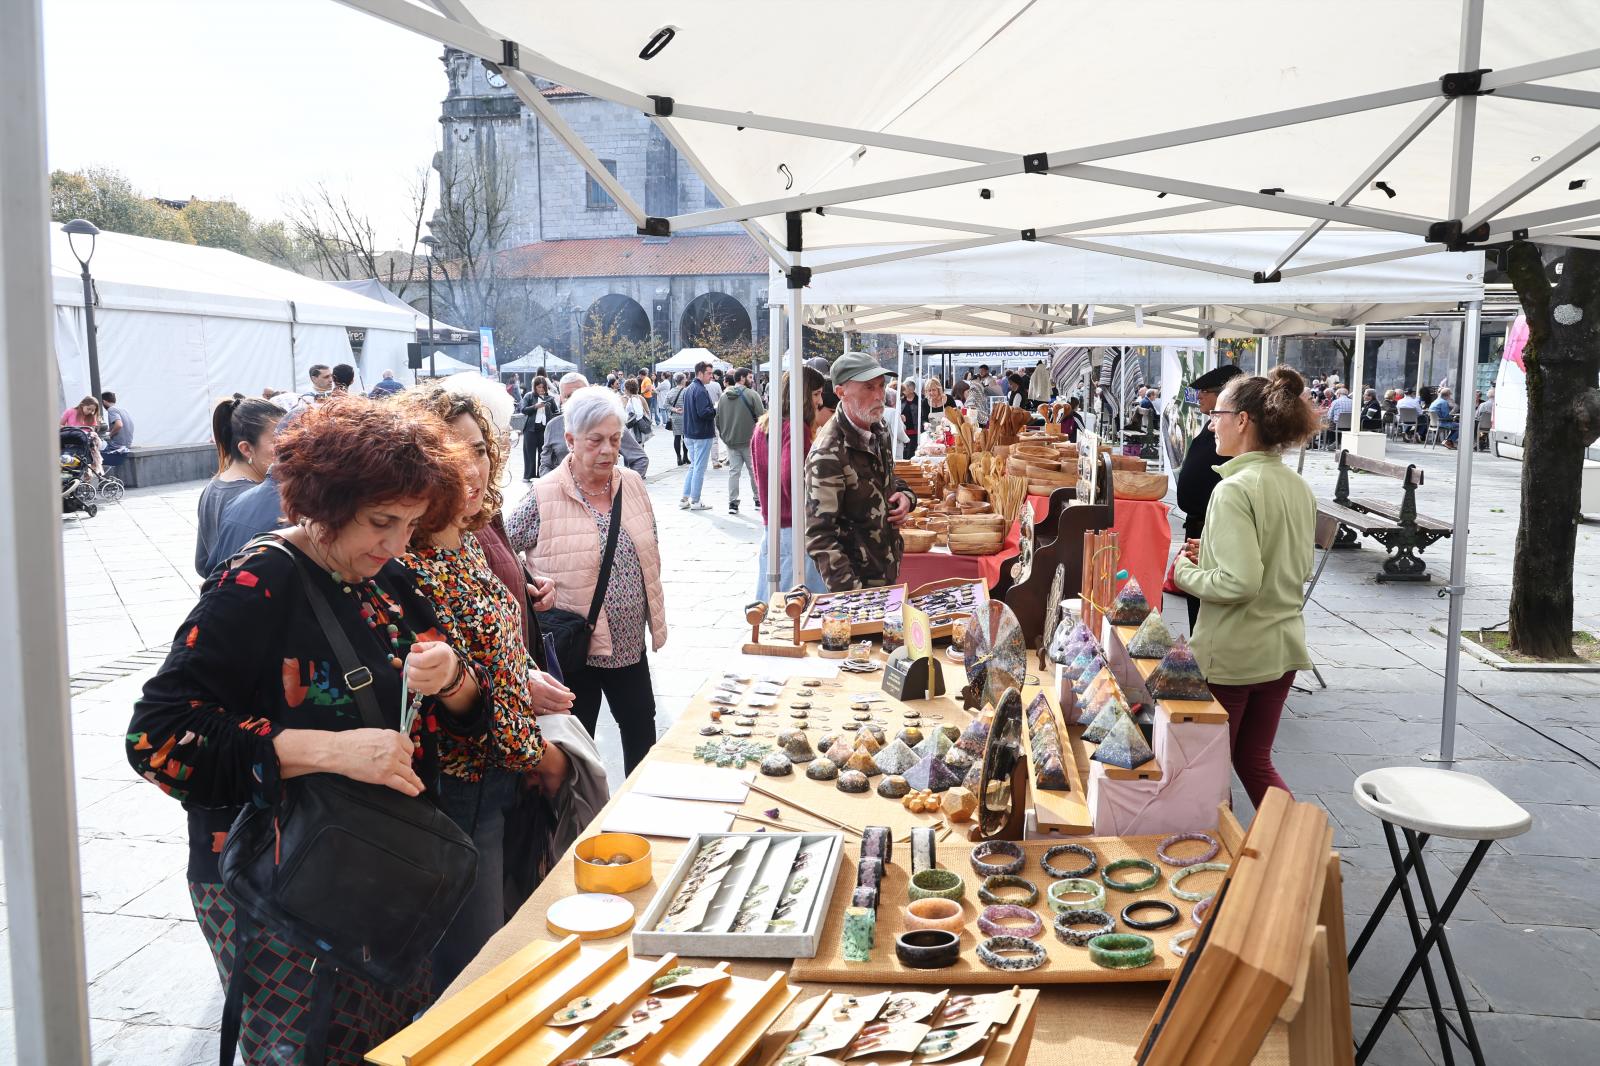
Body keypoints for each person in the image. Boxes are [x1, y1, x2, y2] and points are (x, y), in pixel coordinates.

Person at [127, 397, 487, 1064]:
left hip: (377, 867)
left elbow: (468, 721)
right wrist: (332, 751)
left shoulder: (391, 581)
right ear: (325, 501)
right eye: (381, 522)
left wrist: (455, 677)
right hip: (279, 884)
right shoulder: (256, 583)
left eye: (409, 525)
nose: (396, 544)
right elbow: (157, 738)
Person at [390, 387, 571, 993]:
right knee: (470, 974)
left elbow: (495, 659)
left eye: (477, 449)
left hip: (496, 780)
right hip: (452, 789)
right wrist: (538, 755)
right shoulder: (404, 563)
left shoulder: (464, 541)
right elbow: (454, 691)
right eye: (447, 453)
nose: (470, 467)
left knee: (498, 953)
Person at [1173, 367, 1320, 810]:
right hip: (1282, 646)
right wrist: (1214, 552)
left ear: (1242, 421)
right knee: (1253, 759)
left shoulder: (1234, 489)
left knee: (1209, 770)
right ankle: (1299, 849)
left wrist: (1184, 574)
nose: (1211, 422)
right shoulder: (1295, 485)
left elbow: (1239, 582)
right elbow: (1288, 563)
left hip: (1234, 655)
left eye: (1216, 413)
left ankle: (1224, 867)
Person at [507, 386, 667, 774]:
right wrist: (532, 586)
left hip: (629, 644)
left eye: (615, 440)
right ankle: (585, 827)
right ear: (570, 440)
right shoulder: (543, 495)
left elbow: (650, 544)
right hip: (574, 649)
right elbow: (502, 554)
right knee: (580, 750)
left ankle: (637, 819)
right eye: (595, 441)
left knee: (641, 734)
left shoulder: (632, 484)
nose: (608, 451)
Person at [804, 353, 917, 590]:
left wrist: (906, 497)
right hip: (857, 586)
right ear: (840, 392)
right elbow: (820, 538)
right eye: (868, 387)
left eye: (880, 386)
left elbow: (887, 478)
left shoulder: (879, 427)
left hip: (885, 568)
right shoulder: (828, 453)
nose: (879, 395)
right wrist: (854, 597)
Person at [1174, 365, 1243, 631]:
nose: (1199, 396)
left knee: (1204, 604)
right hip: (1199, 524)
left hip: (1210, 526)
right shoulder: (1213, 427)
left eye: (1206, 392)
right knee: (1196, 607)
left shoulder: (1230, 434)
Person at [753, 367, 827, 598]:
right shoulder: (795, 429)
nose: (820, 401)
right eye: (816, 394)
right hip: (794, 530)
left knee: (771, 605)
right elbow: (790, 478)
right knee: (798, 609)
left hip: (772, 526)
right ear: (803, 395)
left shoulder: (763, 426)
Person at [195, 397, 283, 577]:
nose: (290, 447)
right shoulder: (254, 498)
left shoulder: (213, 487)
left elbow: (203, 562)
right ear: (246, 449)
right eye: (278, 440)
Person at [542, 373, 648, 476]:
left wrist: (622, 487)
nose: (574, 400)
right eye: (568, 396)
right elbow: (545, 465)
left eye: (579, 394)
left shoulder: (609, 422)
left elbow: (640, 459)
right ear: (561, 398)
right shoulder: (553, 426)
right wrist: (554, 488)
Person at [715, 366, 765, 515]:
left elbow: (718, 419)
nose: (752, 381)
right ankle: (758, 500)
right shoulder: (752, 395)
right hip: (750, 440)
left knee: (734, 472)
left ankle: (733, 503)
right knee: (754, 471)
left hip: (731, 441)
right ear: (742, 378)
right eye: (750, 377)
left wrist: (725, 436)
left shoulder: (723, 397)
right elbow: (762, 418)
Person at [680, 361, 717, 511]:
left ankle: (685, 498)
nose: (711, 376)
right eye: (708, 373)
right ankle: (695, 500)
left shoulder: (689, 388)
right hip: (701, 434)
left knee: (694, 466)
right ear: (700, 373)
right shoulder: (700, 390)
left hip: (690, 432)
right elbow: (704, 413)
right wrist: (715, 409)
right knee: (699, 468)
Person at [520, 376, 559, 481]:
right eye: (539, 387)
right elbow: (523, 409)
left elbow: (556, 412)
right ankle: (528, 475)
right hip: (530, 430)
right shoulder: (529, 396)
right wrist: (535, 407)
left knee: (543, 454)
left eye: (543, 387)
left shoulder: (550, 398)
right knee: (529, 454)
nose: (541, 389)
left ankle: (541, 475)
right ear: (534, 387)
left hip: (544, 430)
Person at [60, 396, 103, 473]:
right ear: (82, 405)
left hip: (83, 441)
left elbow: (92, 430)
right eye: (88, 409)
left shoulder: (91, 417)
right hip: (70, 437)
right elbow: (60, 425)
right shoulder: (70, 411)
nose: (90, 411)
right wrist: (70, 429)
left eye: (92, 410)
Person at [662, 372, 690, 465]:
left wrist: (674, 409)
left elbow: (665, 405)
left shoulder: (671, 391)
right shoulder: (687, 391)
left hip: (675, 417)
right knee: (686, 437)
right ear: (682, 380)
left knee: (677, 437)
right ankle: (686, 456)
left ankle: (679, 457)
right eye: (685, 378)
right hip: (686, 417)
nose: (686, 380)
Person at [100, 390, 135, 459]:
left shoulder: (111, 410)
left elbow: (119, 425)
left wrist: (109, 435)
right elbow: (127, 425)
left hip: (117, 445)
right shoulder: (123, 410)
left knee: (95, 447)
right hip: (128, 443)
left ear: (103, 401)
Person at [622, 378, 652, 445]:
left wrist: (630, 421)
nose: (624, 389)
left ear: (628, 389)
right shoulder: (634, 398)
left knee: (635, 446)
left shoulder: (634, 399)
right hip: (634, 426)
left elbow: (639, 414)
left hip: (634, 427)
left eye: (625, 388)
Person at [899, 381, 920, 459]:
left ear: (911, 390)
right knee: (904, 454)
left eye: (905, 389)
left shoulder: (919, 401)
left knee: (911, 454)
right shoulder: (901, 400)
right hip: (903, 432)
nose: (903, 391)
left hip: (915, 432)